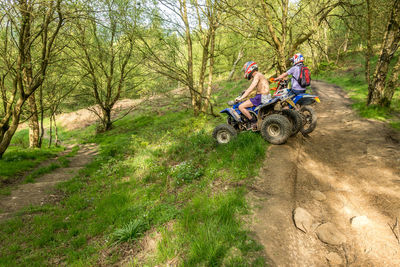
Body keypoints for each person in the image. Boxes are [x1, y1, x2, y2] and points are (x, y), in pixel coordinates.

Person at [236, 61, 270, 129]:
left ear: (249, 68)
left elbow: (251, 88)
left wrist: (241, 98)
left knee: (241, 106)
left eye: (245, 70)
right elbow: (258, 87)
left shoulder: (257, 76)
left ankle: (253, 122)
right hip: (266, 96)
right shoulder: (260, 75)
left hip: (261, 97)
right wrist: (245, 91)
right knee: (248, 101)